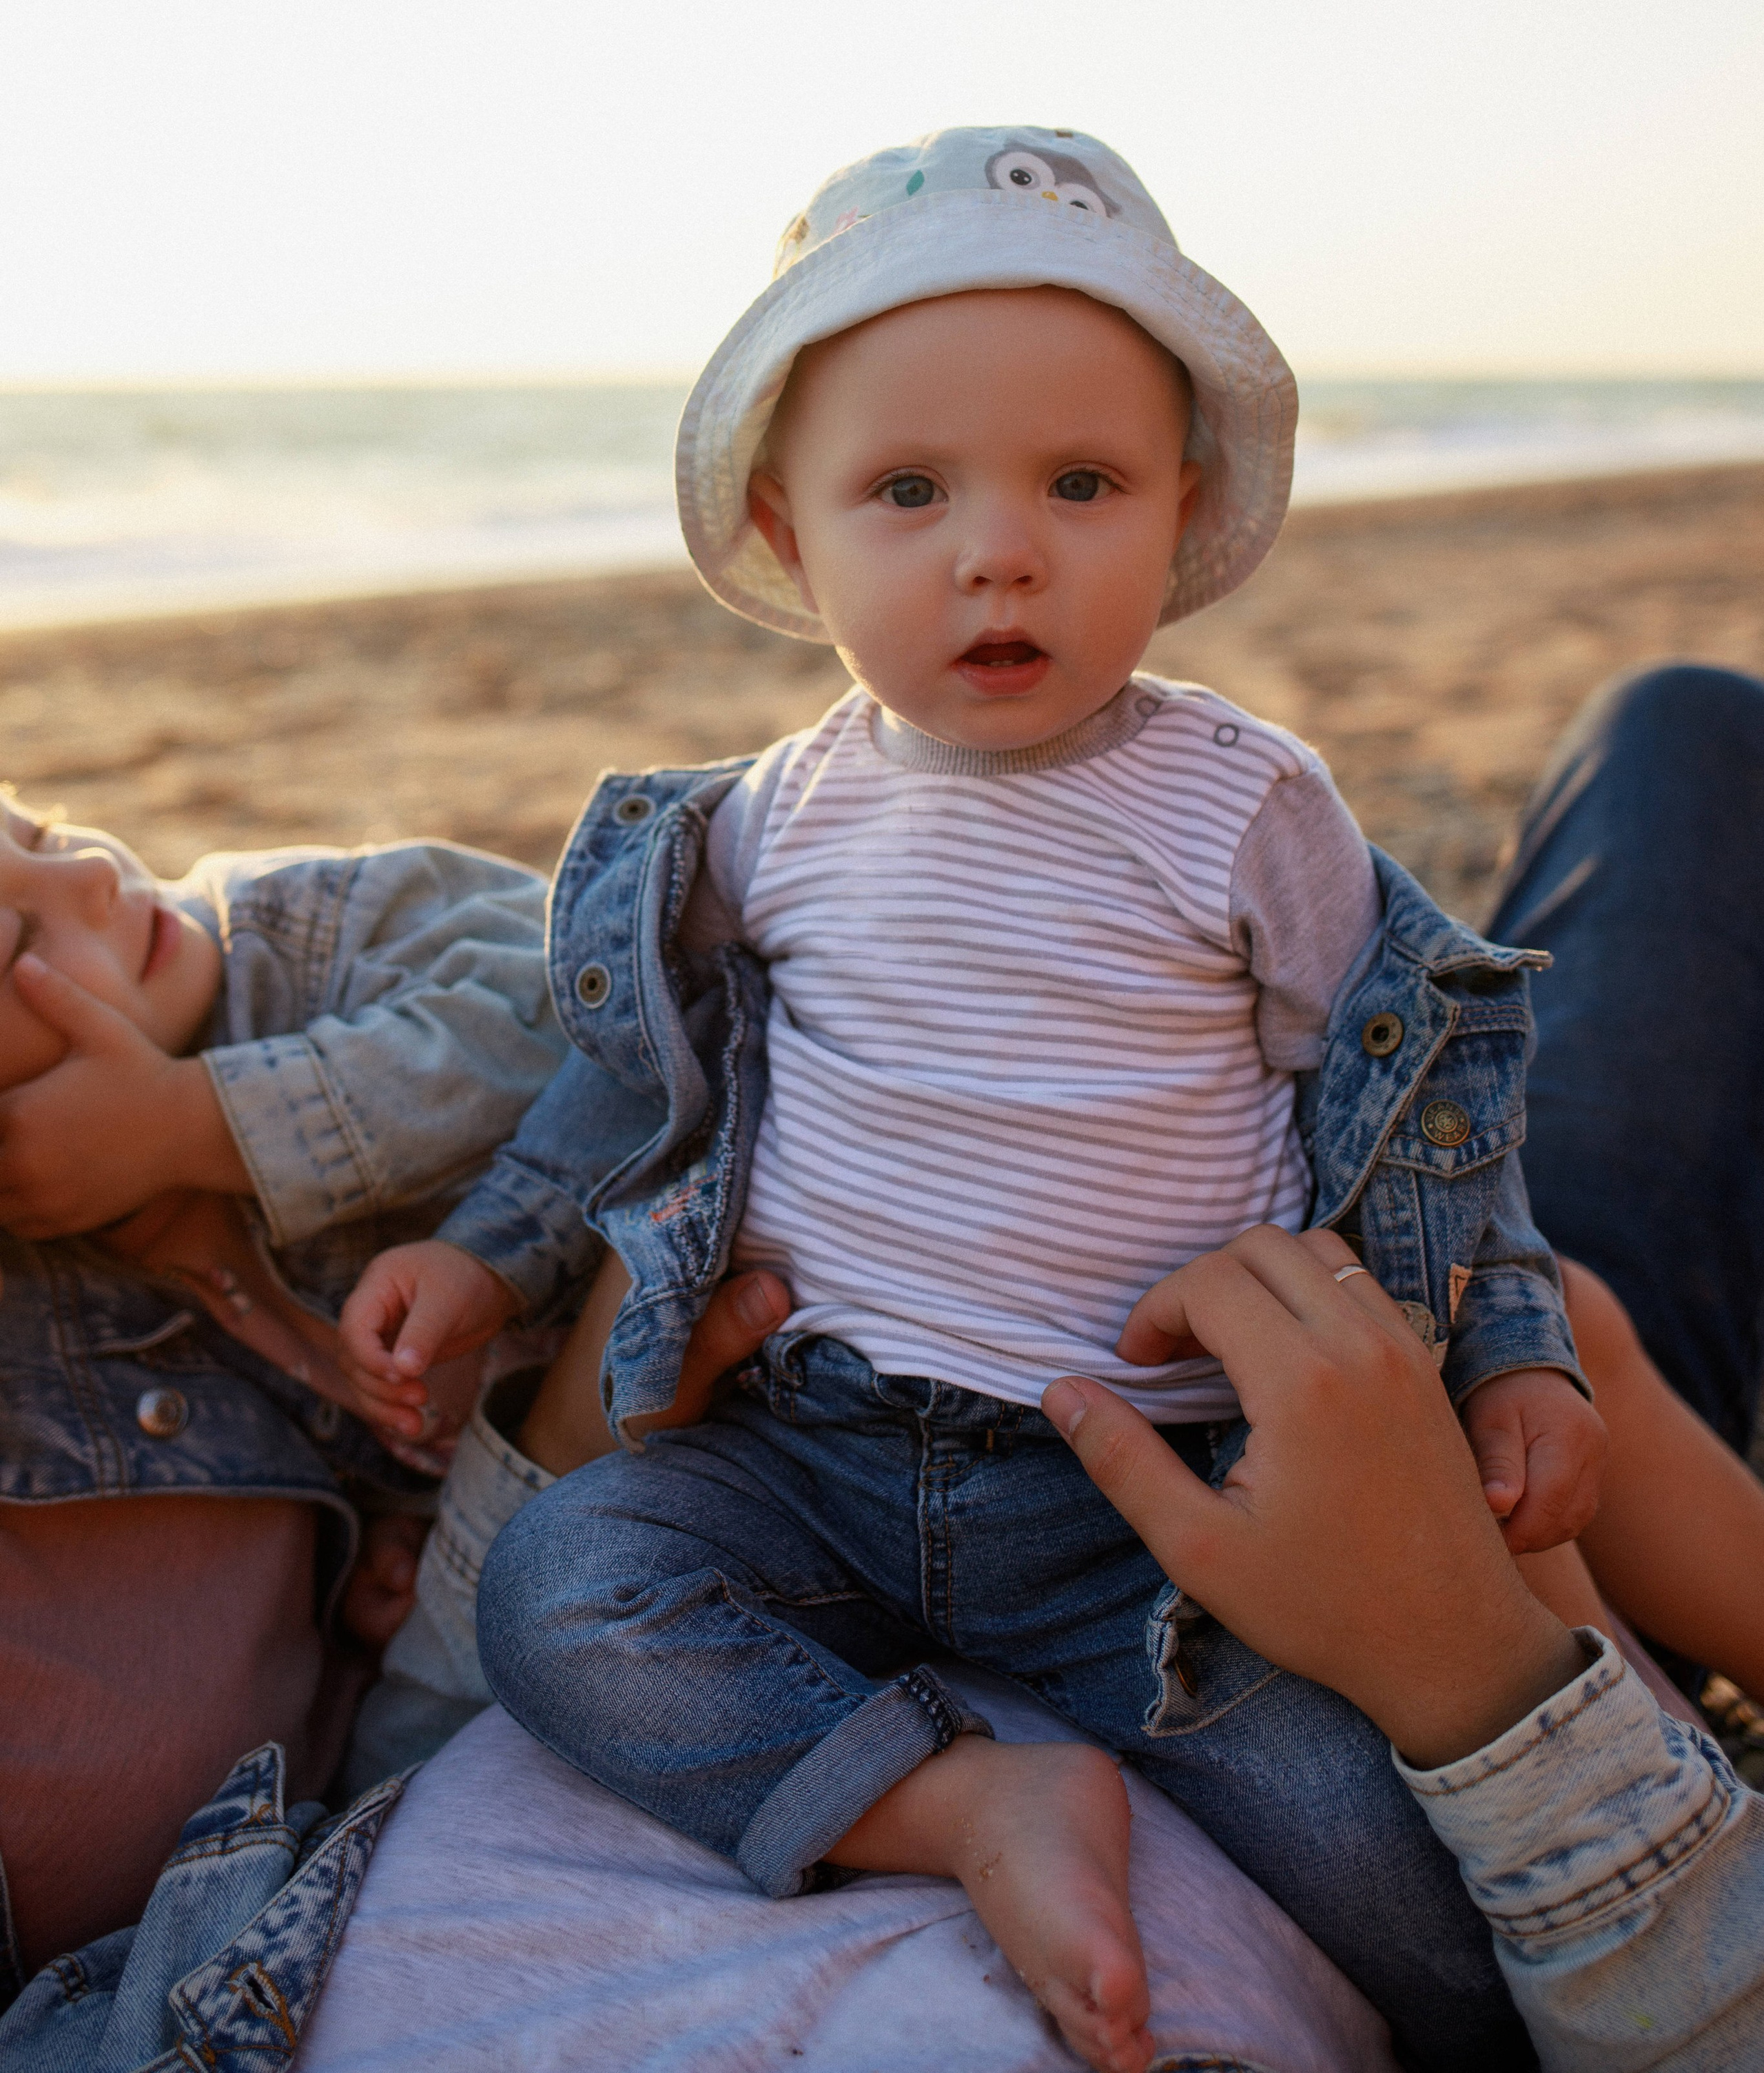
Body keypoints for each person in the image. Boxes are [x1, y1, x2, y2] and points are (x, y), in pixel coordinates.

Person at [340, 127, 1603, 2073]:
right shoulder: (771, 825)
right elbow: (627, 1094)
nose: (996, 550)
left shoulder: (1248, 808)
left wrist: (1519, 1348)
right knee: (561, 1591)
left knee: (1433, 1932)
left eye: (1080, 484)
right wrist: (487, 1252)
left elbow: (1431, 1096)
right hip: (814, 1457)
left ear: (1181, 512)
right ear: (789, 532)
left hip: (1156, 1520)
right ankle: (964, 1803)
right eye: (907, 490)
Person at [0, 789, 568, 1988]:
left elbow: (577, 1005)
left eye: (40, 833)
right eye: (16, 943)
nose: (95, 879)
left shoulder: (315, 924)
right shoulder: (75, 1292)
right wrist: (376, 1577)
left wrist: (197, 1124)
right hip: (540, 1531)